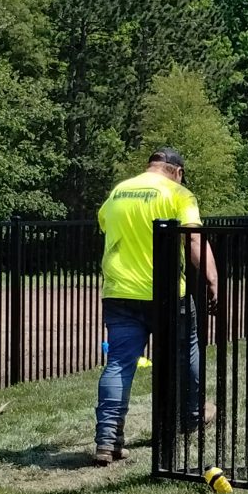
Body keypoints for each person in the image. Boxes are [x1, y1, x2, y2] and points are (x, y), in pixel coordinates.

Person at [93, 147, 218, 467]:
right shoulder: (179, 193)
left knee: (119, 363)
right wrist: (212, 279)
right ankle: (191, 416)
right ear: (177, 172)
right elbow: (194, 239)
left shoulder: (119, 192)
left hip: (120, 292)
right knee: (186, 351)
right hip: (167, 293)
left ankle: (107, 439)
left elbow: (105, 224)